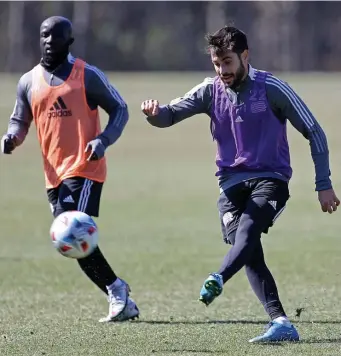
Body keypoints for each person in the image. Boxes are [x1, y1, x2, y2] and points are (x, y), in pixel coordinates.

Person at [141, 25, 339, 342]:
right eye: (217, 63)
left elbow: (314, 132)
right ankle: (282, 323)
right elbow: (170, 115)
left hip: (270, 180)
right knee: (246, 249)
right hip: (230, 186)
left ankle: (218, 277)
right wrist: (154, 113)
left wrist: (323, 184)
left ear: (245, 56)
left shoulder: (272, 87)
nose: (222, 71)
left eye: (228, 62)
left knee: (246, 235)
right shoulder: (210, 90)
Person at [1, 16, 139, 323]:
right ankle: (118, 291)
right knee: (68, 243)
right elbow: (20, 121)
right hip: (53, 175)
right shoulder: (28, 81)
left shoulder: (86, 75)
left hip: (85, 167)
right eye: (45, 35)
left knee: (70, 230)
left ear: (69, 41)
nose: (50, 41)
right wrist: (12, 138)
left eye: (57, 36)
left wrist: (104, 140)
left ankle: (117, 294)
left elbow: (120, 108)